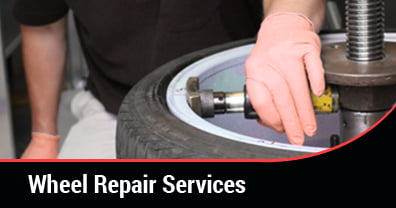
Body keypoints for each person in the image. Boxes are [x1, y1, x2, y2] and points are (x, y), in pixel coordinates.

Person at [14, 0, 326, 159]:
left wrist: (288, 20)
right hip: (113, 109)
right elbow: (44, 28)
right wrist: (44, 135)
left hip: (253, 104)